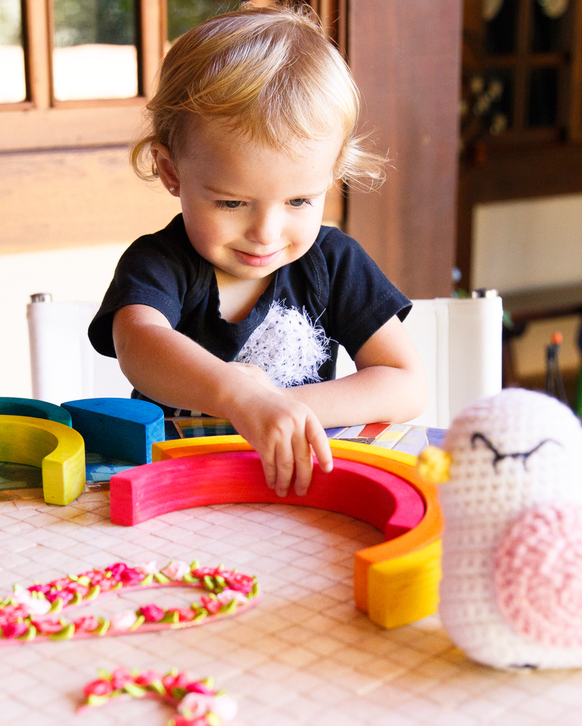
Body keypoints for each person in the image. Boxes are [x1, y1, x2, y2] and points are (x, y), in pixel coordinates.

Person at [89, 2, 427, 498]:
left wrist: (286, 409)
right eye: (232, 202)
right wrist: (240, 397)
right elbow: (138, 345)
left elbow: (406, 383)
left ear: (331, 174)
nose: (266, 233)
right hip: (179, 493)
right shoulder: (160, 262)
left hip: (295, 493)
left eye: (299, 201)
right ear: (171, 171)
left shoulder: (335, 263)